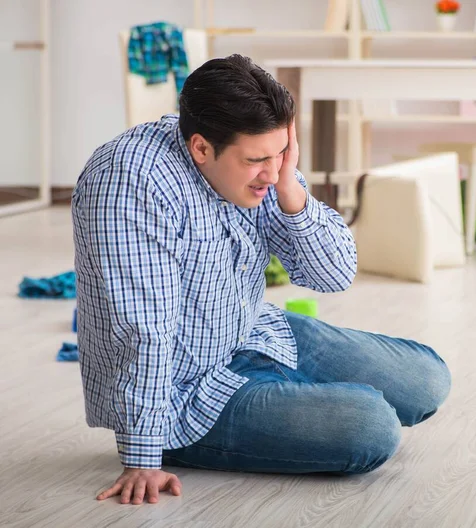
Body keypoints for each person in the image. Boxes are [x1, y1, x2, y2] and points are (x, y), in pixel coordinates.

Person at [71, 54, 451, 506]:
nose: (271, 174)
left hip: (251, 332)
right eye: (258, 161)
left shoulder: (263, 163)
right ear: (200, 148)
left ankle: (288, 396)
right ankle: (267, 411)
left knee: (427, 381)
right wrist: (143, 456)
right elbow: (144, 330)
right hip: (186, 395)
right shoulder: (129, 183)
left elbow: (333, 275)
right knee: (371, 427)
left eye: (281, 155)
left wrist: (292, 192)